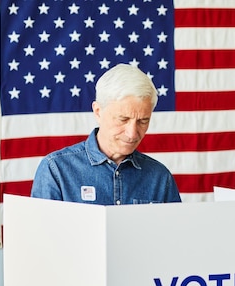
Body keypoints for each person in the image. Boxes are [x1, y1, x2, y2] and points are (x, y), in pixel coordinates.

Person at [31, 63, 181, 204]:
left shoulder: (160, 178)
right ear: (98, 112)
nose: (132, 133)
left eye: (143, 121)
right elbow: (40, 231)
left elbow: (175, 231)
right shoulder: (56, 170)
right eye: (123, 119)